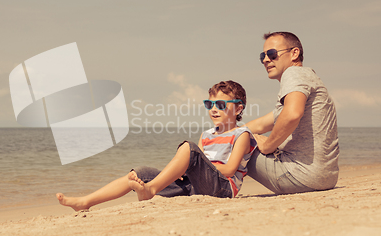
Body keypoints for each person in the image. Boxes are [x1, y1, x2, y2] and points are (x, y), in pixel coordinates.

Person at [57, 80, 257, 211]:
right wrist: (187, 170)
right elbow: (197, 163)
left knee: (188, 148)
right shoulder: (206, 135)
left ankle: (150, 190)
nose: (214, 109)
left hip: (221, 189)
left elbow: (230, 169)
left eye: (221, 105)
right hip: (196, 186)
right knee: (140, 173)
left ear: (239, 108)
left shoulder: (241, 134)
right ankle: (86, 202)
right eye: (209, 104)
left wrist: (194, 165)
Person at [246, 31, 339, 194]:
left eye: (272, 54)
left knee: (235, 142)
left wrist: (267, 145)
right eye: (263, 56)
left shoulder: (294, 73)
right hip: (325, 179)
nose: (266, 60)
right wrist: (224, 134)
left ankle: (196, 184)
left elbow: (292, 115)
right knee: (236, 136)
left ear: (294, 53)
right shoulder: (306, 81)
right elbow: (260, 124)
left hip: (298, 176)